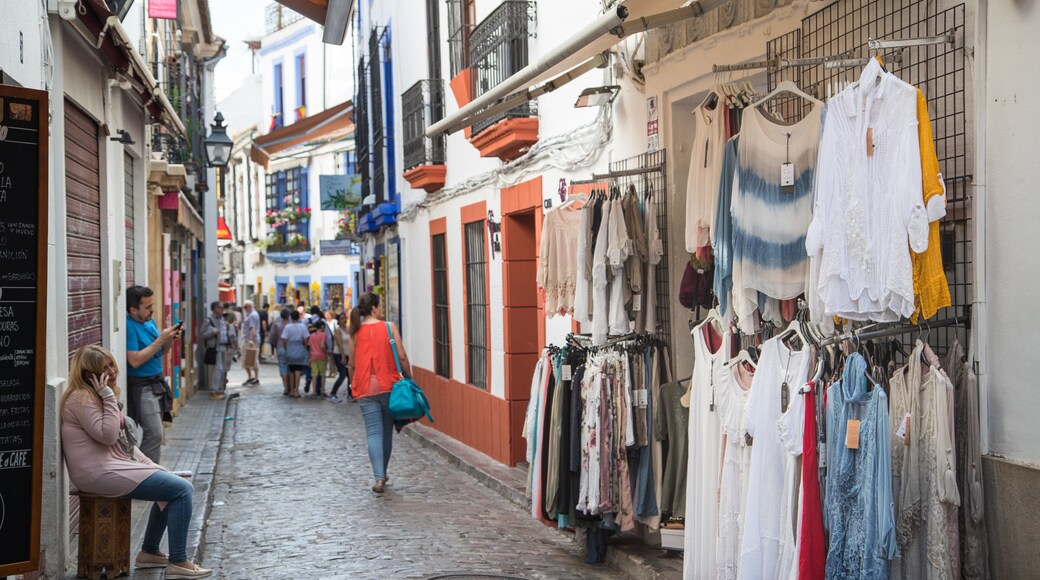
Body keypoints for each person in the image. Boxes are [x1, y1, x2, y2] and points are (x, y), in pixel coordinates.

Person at [61, 345, 212, 578]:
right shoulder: (81, 398)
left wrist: (155, 468)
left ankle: (149, 552)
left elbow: (125, 445)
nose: (112, 371)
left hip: (112, 466)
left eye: (112, 364)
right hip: (96, 473)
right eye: (105, 368)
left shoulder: (95, 396)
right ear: (90, 375)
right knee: (182, 490)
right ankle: (179, 562)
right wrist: (109, 396)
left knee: (172, 484)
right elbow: (108, 435)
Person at [349, 292, 412, 493]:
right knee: (386, 433)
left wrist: (353, 383)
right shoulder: (389, 327)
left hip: (365, 388)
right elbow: (401, 356)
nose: (381, 309)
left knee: (373, 433)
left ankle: (378, 477)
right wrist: (409, 378)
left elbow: (351, 364)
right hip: (389, 386)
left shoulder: (355, 332)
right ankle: (382, 474)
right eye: (380, 306)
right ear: (375, 308)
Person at [125, 285, 178, 463]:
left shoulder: (149, 321)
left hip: (156, 383)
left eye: (152, 305)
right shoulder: (129, 326)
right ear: (133, 310)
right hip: (142, 385)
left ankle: (150, 472)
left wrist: (168, 340)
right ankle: (146, 473)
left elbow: (160, 351)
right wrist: (161, 340)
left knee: (156, 432)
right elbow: (134, 360)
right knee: (154, 433)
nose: (152, 310)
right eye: (147, 307)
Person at [199, 302, 231, 400]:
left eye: (223, 308)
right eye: (220, 308)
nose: (222, 309)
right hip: (215, 348)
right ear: (214, 309)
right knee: (219, 369)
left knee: (223, 369)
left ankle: (220, 389)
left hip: (224, 347)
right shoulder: (208, 320)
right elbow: (202, 334)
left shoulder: (223, 319)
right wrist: (213, 332)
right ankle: (214, 390)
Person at [280, 309, 310, 398]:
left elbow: (284, 339)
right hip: (300, 347)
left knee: (291, 370)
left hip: (290, 348)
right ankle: (296, 389)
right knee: (298, 370)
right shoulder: (303, 326)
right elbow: (306, 338)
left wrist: (287, 348)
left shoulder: (288, 327)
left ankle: (292, 390)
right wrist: (304, 347)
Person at [329, 311, 353, 403]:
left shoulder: (348, 329)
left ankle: (350, 394)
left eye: (345, 318)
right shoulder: (338, 330)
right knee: (342, 375)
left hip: (348, 355)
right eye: (342, 318)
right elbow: (339, 345)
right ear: (339, 320)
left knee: (349, 376)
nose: (344, 320)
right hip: (339, 354)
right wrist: (343, 357)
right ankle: (333, 393)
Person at [269, 307, 291, 395]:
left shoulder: (277, 324)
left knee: (282, 367)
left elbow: (272, 336)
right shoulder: (291, 324)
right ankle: (291, 386)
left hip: (280, 347)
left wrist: (274, 344)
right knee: (290, 367)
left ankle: (285, 387)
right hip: (290, 347)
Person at [241, 301, 260, 386]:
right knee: (251, 358)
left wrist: (251, 340)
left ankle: (252, 377)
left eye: (245, 307)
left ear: (249, 306)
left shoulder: (252, 315)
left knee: (249, 358)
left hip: (250, 339)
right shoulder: (253, 314)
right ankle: (253, 377)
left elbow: (252, 328)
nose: (244, 309)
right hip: (251, 339)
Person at [307, 323, 328, 399]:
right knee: (322, 374)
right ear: (322, 327)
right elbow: (322, 345)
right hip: (321, 356)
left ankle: (314, 392)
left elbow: (310, 348)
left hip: (313, 356)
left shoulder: (311, 336)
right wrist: (326, 352)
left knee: (314, 374)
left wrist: (309, 358)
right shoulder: (323, 335)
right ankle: (322, 390)